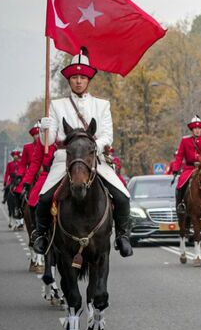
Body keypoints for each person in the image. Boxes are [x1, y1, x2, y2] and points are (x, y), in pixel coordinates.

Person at [32, 50, 134, 257]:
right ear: (69, 80)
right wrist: (45, 128)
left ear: (88, 80)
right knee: (43, 199)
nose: (78, 81)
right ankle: (41, 235)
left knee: (123, 196)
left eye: (82, 77)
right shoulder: (56, 105)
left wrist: (92, 146)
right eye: (74, 78)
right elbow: (49, 141)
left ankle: (123, 236)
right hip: (66, 159)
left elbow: (108, 135)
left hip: (94, 158)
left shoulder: (102, 105)